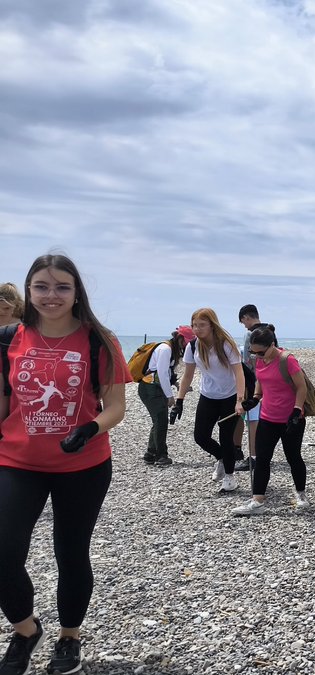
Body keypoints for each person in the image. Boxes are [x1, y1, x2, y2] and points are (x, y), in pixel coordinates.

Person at [0, 254, 132, 675]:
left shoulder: (99, 340)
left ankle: (69, 637)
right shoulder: (8, 338)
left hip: (83, 465)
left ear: (77, 293)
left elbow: (115, 407)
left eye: (62, 287)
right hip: (17, 461)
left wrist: (89, 429)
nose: (51, 295)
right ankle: (25, 631)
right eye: (41, 286)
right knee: (4, 552)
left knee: (71, 552)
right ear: (29, 290)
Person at [232, 327, 311, 515]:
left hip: (291, 418)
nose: (257, 356)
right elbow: (261, 381)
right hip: (268, 417)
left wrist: (296, 410)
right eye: (253, 352)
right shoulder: (260, 360)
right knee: (261, 459)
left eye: (261, 352)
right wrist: (255, 398)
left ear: (272, 345)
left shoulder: (287, 360)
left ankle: (301, 494)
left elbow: (301, 387)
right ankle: (257, 500)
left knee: (293, 457)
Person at [176, 308, 246, 493]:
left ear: (212, 325)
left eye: (202, 325)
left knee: (226, 437)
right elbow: (187, 375)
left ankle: (230, 478)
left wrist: (240, 400)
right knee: (200, 437)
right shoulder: (193, 346)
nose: (197, 329)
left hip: (229, 396)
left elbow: (239, 373)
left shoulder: (226, 344)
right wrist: (179, 400)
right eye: (194, 325)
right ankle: (222, 458)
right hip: (208, 395)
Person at [138, 326, 194, 466]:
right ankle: (161, 455)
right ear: (180, 338)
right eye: (186, 342)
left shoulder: (172, 350)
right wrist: (170, 396)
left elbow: (168, 373)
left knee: (159, 420)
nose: (187, 346)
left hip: (156, 388)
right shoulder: (165, 349)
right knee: (161, 421)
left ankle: (150, 454)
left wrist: (176, 384)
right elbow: (162, 373)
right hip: (150, 388)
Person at [233, 304, 274, 473]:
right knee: (261, 418)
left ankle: (253, 457)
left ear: (246, 318)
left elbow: (247, 361)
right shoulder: (269, 332)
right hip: (269, 379)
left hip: (253, 380)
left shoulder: (250, 334)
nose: (244, 325)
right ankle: (256, 454)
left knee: (252, 418)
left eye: (243, 322)